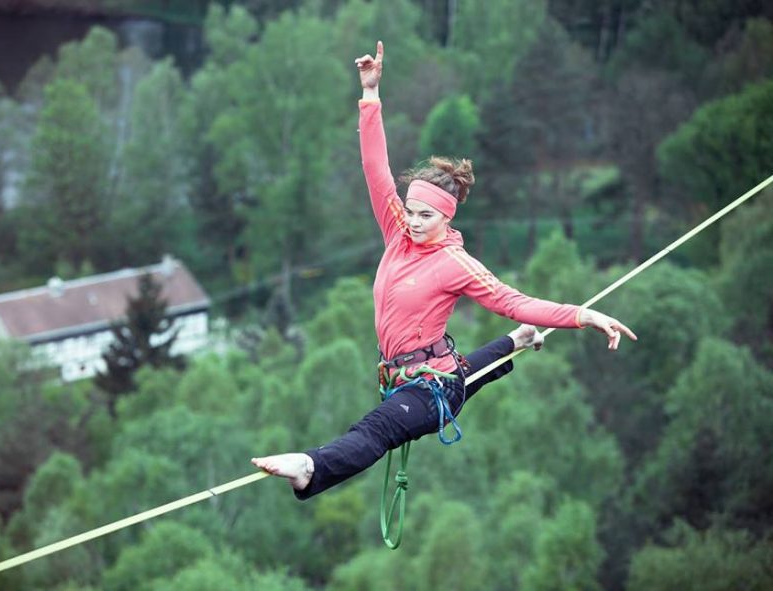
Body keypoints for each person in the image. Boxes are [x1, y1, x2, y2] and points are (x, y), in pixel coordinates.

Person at [251, 41, 637, 499]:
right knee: (466, 369)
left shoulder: (454, 263)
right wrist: (371, 95)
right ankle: (517, 343)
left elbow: (512, 300)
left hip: (430, 391)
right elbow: (376, 170)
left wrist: (583, 315)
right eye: (410, 211)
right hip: (413, 375)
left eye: (425, 216)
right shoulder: (398, 233)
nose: (413, 222)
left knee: (376, 432)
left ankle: (310, 467)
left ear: (448, 217)